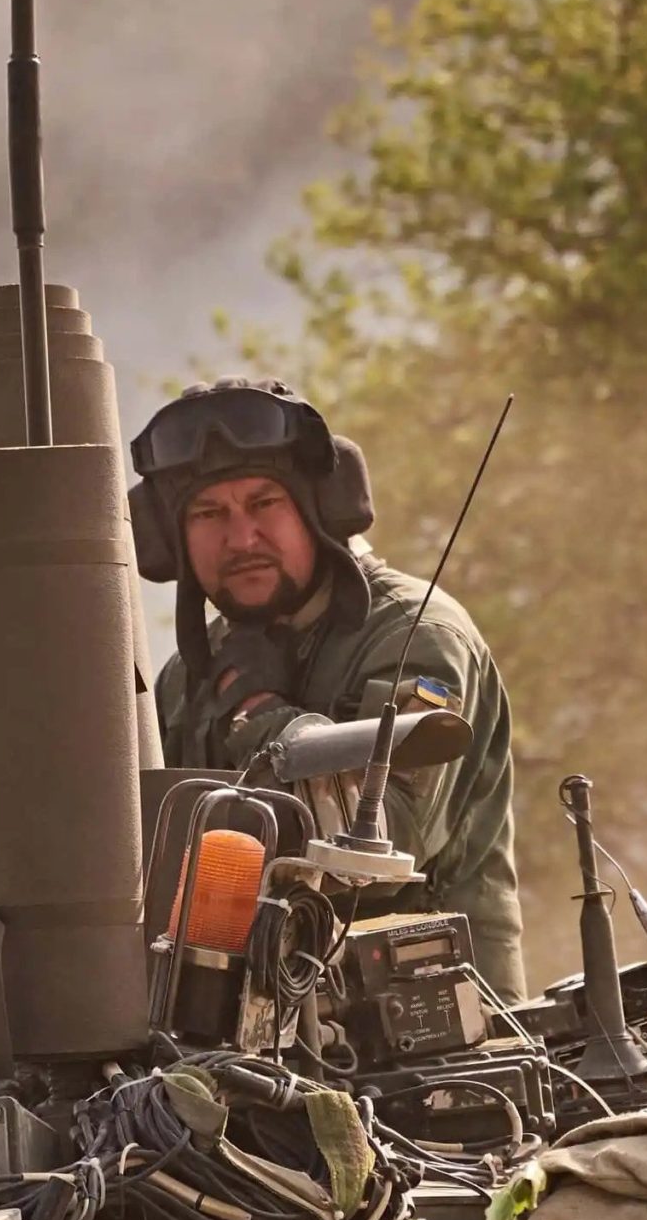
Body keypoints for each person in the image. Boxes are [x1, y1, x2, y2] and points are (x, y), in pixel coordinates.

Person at [128, 377, 525, 995]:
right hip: (240, 1023)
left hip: (435, 1024)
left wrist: (260, 715)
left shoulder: (417, 634)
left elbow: (377, 851)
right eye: (209, 514)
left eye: (264, 503)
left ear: (317, 510)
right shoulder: (188, 677)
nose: (241, 538)